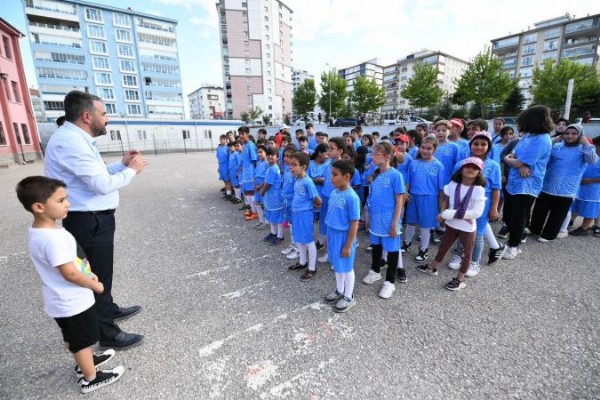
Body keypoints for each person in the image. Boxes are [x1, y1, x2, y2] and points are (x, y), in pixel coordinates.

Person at [44, 90, 147, 350]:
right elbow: (101, 184)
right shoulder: (71, 142)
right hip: (88, 220)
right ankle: (108, 334)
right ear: (87, 116)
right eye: (104, 113)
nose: (107, 119)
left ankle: (108, 310)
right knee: (95, 275)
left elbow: (96, 172)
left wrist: (121, 164)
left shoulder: (75, 138)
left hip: (91, 218)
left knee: (101, 272)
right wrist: (132, 171)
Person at [16, 176, 125, 393]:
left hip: (60, 300)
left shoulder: (42, 231)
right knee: (81, 340)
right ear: (39, 207)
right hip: (71, 301)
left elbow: (72, 265)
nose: (69, 204)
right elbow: (71, 274)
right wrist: (94, 285)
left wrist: (89, 273)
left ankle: (85, 361)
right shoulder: (51, 239)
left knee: (74, 337)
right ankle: (90, 377)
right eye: (61, 200)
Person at [416, 157, 487, 291]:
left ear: (479, 172)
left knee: (466, 253)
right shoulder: (453, 184)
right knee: (443, 246)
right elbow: (447, 199)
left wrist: (450, 214)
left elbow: (476, 213)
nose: (470, 169)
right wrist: (442, 212)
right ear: (461, 169)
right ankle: (433, 267)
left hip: (467, 227)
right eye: (468, 166)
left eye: (475, 168)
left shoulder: (478, 190)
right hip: (452, 224)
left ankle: (460, 278)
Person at [529, 124, 597, 241]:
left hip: (567, 189)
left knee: (558, 214)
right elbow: (543, 154)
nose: (569, 136)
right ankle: (534, 229)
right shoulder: (557, 147)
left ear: (580, 135)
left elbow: (592, 160)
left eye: (574, 133)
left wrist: (586, 143)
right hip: (548, 185)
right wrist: (552, 140)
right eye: (567, 133)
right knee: (540, 209)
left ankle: (548, 235)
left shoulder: (583, 150)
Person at [502, 105, 553, 260]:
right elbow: (513, 155)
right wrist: (512, 160)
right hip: (515, 181)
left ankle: (514, 246)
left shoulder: (542, 140)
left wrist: (512, 161)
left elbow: (517, 161)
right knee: (509, 214)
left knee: (518, 216)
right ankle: (513, 239)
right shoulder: (528, 136)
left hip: (527, 184)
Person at [361, 142, 406, 299]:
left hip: (389, 220)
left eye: (376, 154)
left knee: (392, 251)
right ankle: (375, 271)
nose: (373, 156)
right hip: (376, 218)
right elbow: (372, 197)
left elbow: (399, 201)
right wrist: (368, 217)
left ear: (387, 157)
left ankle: (390, 282)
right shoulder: (375, 174)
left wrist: (395, 223)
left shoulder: (396, 175)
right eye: (373, 153)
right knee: (376, 246)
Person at [324, 159, 361, 312]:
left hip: (344, 237)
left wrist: (348, 245)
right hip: (332, 234)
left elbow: (354, 223)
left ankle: (348, 296)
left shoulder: (352, 197)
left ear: (346, 176)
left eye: (335, 175)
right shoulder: (334, 192)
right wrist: (327, 236)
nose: (331, 178)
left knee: (346, 267)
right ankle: (339, 290)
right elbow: (331, 217)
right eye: (331, 174)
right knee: (337, 266)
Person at [403, 136, 445, 262]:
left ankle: (424, 249)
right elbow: (408, 180)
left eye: (429, 148)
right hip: (413, 196)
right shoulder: (414, 163)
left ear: (434, 150)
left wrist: (441, 207)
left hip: (429, 198)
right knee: (410, 222)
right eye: (423, 148)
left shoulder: (438, 165)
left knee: (425, 225)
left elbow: (441, 189)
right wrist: (406, 191)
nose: (425, 151)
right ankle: (406, 243)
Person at [287, 152, 322, 281]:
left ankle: (312, 268)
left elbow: (318, 200)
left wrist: (310, 206)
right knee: (300, 240)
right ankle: (302, 263)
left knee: (308, 241)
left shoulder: (308, 181)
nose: (291, 167)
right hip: (296, 213)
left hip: (305, 214)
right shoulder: (297, 178)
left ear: (304, 167)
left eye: (294, 165)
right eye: (291, 165)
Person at [317, 137, 346, 264]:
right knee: (327, 226)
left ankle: (337, 256)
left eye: (332, 148)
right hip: (326, 196)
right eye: (328, 148)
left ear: (340, 150)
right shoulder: (327, 164)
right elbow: (325, 181)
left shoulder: (343, 166)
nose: (329, 151)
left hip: (337, 198)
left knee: (336, 227)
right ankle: (329, 253)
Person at [260, 147, 285, 244]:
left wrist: (262, 191)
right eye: (268, 154)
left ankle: (280, 236)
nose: (270, 156)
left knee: (278, 217)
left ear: (277, 157)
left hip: (275, 196)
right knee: (271, 215)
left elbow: (268, 184)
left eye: (272, 155)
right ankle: (273, 233)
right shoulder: (269, 167)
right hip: (270, 197)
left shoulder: (273, 169)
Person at [238, 126, 258, 218]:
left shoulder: (250, 145)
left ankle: (255, 212)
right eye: (240, 134)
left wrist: (255, 173)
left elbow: (254, 160)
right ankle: (251, 209)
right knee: (247, 192)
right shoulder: (244, 145)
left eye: (242, 134)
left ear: (248, 134)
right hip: (245, 172)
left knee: (252, 191)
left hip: (251, 172)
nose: (241, 136)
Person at [250, 145, 269, 226]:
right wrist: (254, 184)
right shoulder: (258, 163)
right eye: (258, 152)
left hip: (262, 186)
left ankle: (266, 221)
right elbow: (255, 174)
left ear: (266, 153)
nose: (259, 154)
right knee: (257, 203)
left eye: (261, 152)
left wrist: (260, 186)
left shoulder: (267, 163)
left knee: (264, 204)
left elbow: (267, 177)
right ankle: (261, 220)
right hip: (256, 186)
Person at [216, 134, 231, 200]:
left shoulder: (227, 148)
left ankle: (229, 194)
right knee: (224, 180)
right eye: (221, 139)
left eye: (223, 139)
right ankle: (227, 193)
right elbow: (218, 157)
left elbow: (230, 158)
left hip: (226, 165)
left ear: (226, 140)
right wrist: (219, 167)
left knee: (228, 180)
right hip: (221, 165)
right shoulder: (218, 148)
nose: (221, 141)